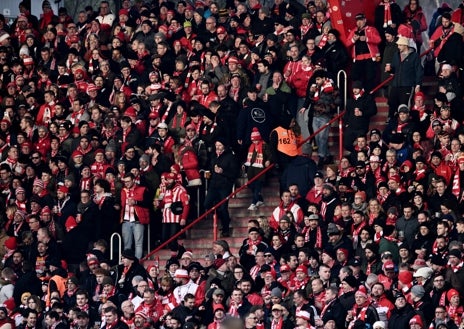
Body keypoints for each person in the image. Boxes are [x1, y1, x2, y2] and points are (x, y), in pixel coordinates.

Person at [204, 138, 239, 237]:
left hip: (224, 186)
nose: (217, 147)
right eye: (216, 145)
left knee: (223, 208)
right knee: (207, 204)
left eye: (219, 145)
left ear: (224, 146)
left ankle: (225, 228)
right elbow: (211, 168)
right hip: (213, 185)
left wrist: (222, 172)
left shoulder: (230, 157)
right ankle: (223, 218)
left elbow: (234, 172)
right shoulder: (214, 156)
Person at [120, 173, 151, 259]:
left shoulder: (143, 189)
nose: (126, 183)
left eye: (128, 181)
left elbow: (148, 204)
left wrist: (136, 202)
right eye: (125, 182)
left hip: (138, 221)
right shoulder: (123, 191)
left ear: (133, 180)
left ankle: (137, 263)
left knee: (138, 244)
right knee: (126, 244)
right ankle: (127, 263)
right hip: (126, 221)